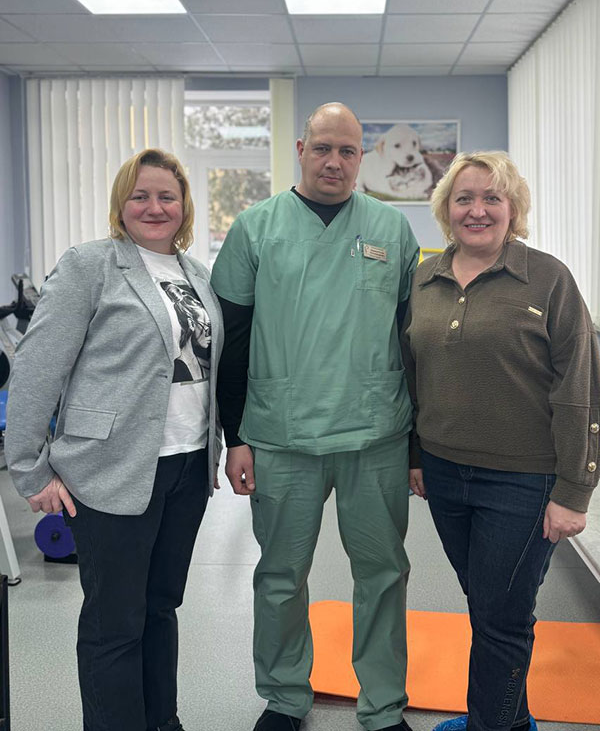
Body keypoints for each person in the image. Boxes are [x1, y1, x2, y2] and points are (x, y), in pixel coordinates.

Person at [212, 102, 419, 731]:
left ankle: (383, 706)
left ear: (362, 158)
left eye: (347, 151)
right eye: (323, 148)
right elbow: (232, 341)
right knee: (280, 575)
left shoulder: (391, 229)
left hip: (375, 434)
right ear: (301, 149)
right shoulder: (255, 228)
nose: (334, 161)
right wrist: (235, 437)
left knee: (383, 574)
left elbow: (411, 340)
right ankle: (283, 697)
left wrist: (417, 446)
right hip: (281, 434)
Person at [5, 148, 223, 731]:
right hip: (110, 468)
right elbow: (37, 367)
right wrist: (29, 467)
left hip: (187, 465)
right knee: (115, 622)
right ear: (120, 204)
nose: (154, 207)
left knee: (161, 608)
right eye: (140, 195)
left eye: (167, 196)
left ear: (184, 205)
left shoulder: (196, 274)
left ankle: (162, 721)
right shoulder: (90, 266)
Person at [401, 151, 600, 731]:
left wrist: (575, 491)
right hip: (445, 473)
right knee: (492, 608)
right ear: (446, 208)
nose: (477, 210)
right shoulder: (425, 278)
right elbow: (413, 376)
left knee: (500, 619)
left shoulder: (548, 277)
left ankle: (491, 724)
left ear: (514, 208)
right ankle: (511, 719)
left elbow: (581, 387)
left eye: (492, 198)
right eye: (464, 198)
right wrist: (416, 455)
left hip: (525, 480)